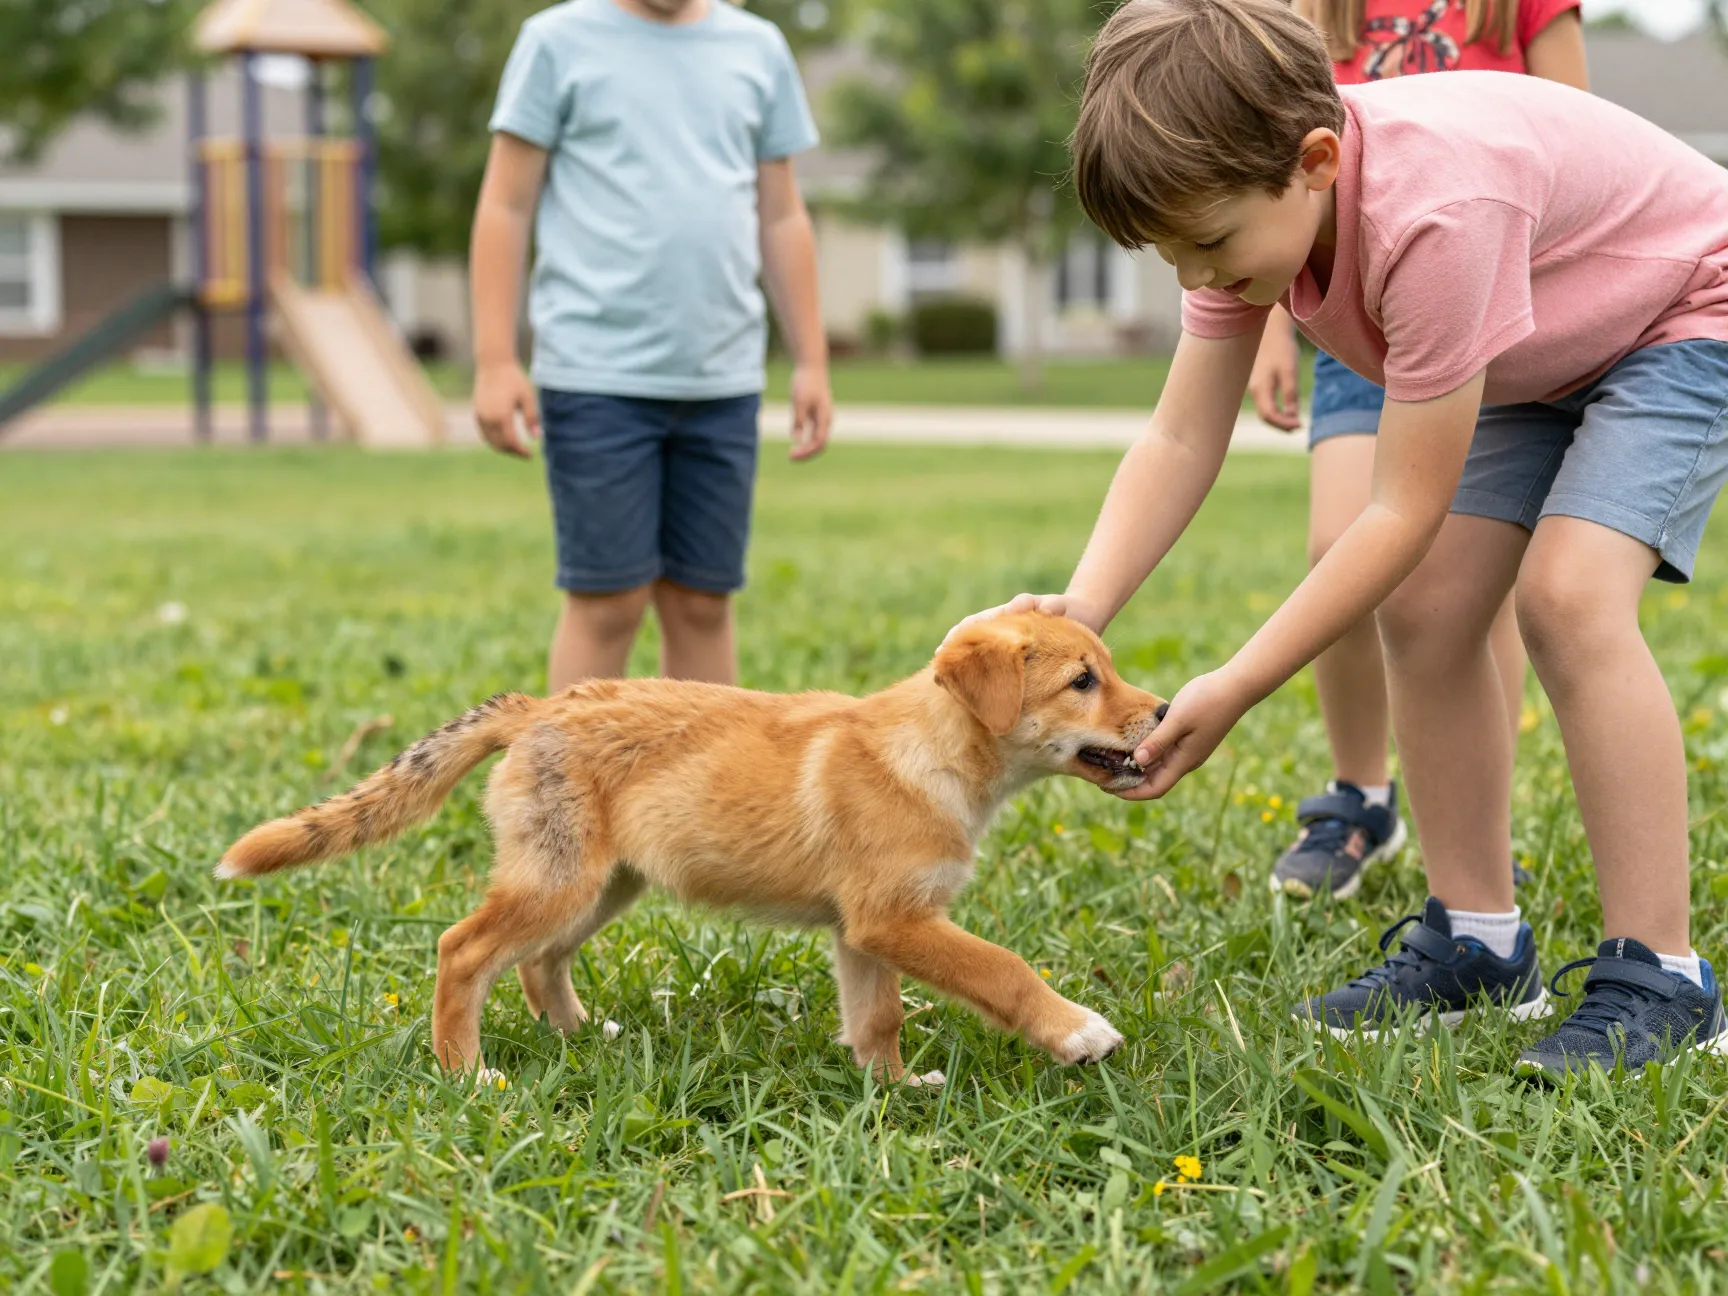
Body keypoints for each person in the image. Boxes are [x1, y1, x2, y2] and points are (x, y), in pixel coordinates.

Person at [969, 0, 1728, 1075]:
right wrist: (1078, 614)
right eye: (1172, 254)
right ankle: (1478, 944)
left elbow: (1400, 513)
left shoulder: (1438, 213)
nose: (1196, 280)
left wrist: (1235, 683)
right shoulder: (1246, 211)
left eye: (1210, 247)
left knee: (1567, 598)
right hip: (1543, 338)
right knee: (1424, 611)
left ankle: (1664, 975)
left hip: (1685, 303)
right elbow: (1183, 437)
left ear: (1316, 160)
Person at [1248, 0, 1588, 900]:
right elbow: (1257, 161)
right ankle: (1361, 795)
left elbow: (1576, 123)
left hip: (1481, 308)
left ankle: (1477, 824)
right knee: (1338, 546)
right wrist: (1267, 326)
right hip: (1354, 309)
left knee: (1468, 581)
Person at [470, 0, 832, 693]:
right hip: (595, 376)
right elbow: (505, 205)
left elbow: (782, 215)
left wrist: (811, 360)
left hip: (721, 382)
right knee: (609, 604)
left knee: (701, 604)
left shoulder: (757, 48)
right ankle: (560, 798)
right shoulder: (555, 42)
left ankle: (702, 802)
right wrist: (494, 359)